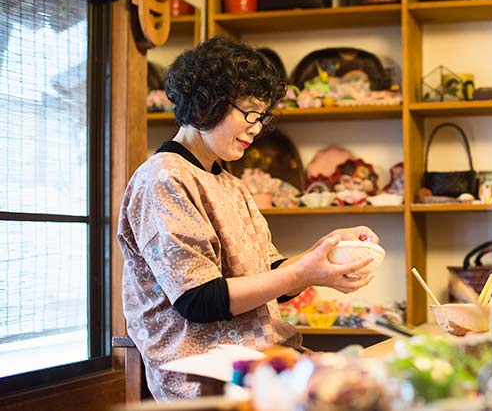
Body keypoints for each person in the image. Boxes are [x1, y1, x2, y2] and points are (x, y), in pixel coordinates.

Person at [117, 36, 378, 400]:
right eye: (249, 113)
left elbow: (273, 276)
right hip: (206, 377)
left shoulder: (231, 185)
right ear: (208, 101)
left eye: (262, 116)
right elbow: (200, 300)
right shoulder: (164, 178)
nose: (257, 127)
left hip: (262, 361)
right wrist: (303, 272)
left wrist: (327, 251)